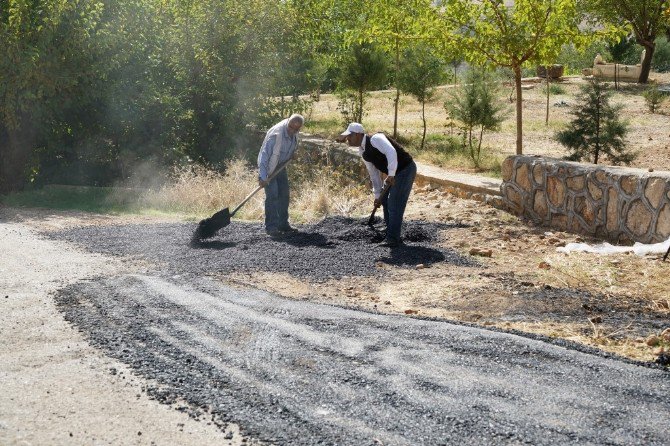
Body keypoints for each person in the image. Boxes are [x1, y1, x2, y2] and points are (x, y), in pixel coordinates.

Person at [338, 122, 417, 247]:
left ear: (358, 135)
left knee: (394, 202)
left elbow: (391, 151)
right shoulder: (363, 151)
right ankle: (389, 229)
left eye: (349, 136)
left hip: (405, 169)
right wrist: (377, 195)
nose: (347, 139)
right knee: (384, 199)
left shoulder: (376, 138)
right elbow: (373, 174)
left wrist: (391, 173)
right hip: (394, 173)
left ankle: (393, 238)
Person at [257, 114, 304, 236]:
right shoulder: (276, 135)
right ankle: (271, 227)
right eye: (290, 128)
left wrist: (293, 155)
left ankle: (283, 224)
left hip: (281, 167)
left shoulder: (295, 134)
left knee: (284, 194)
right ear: (288, 122)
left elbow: (292, 148)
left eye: (296, 129)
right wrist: (263, 177)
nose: (292, 131)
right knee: (272, 195)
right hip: (269, 168)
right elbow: (264, 156)